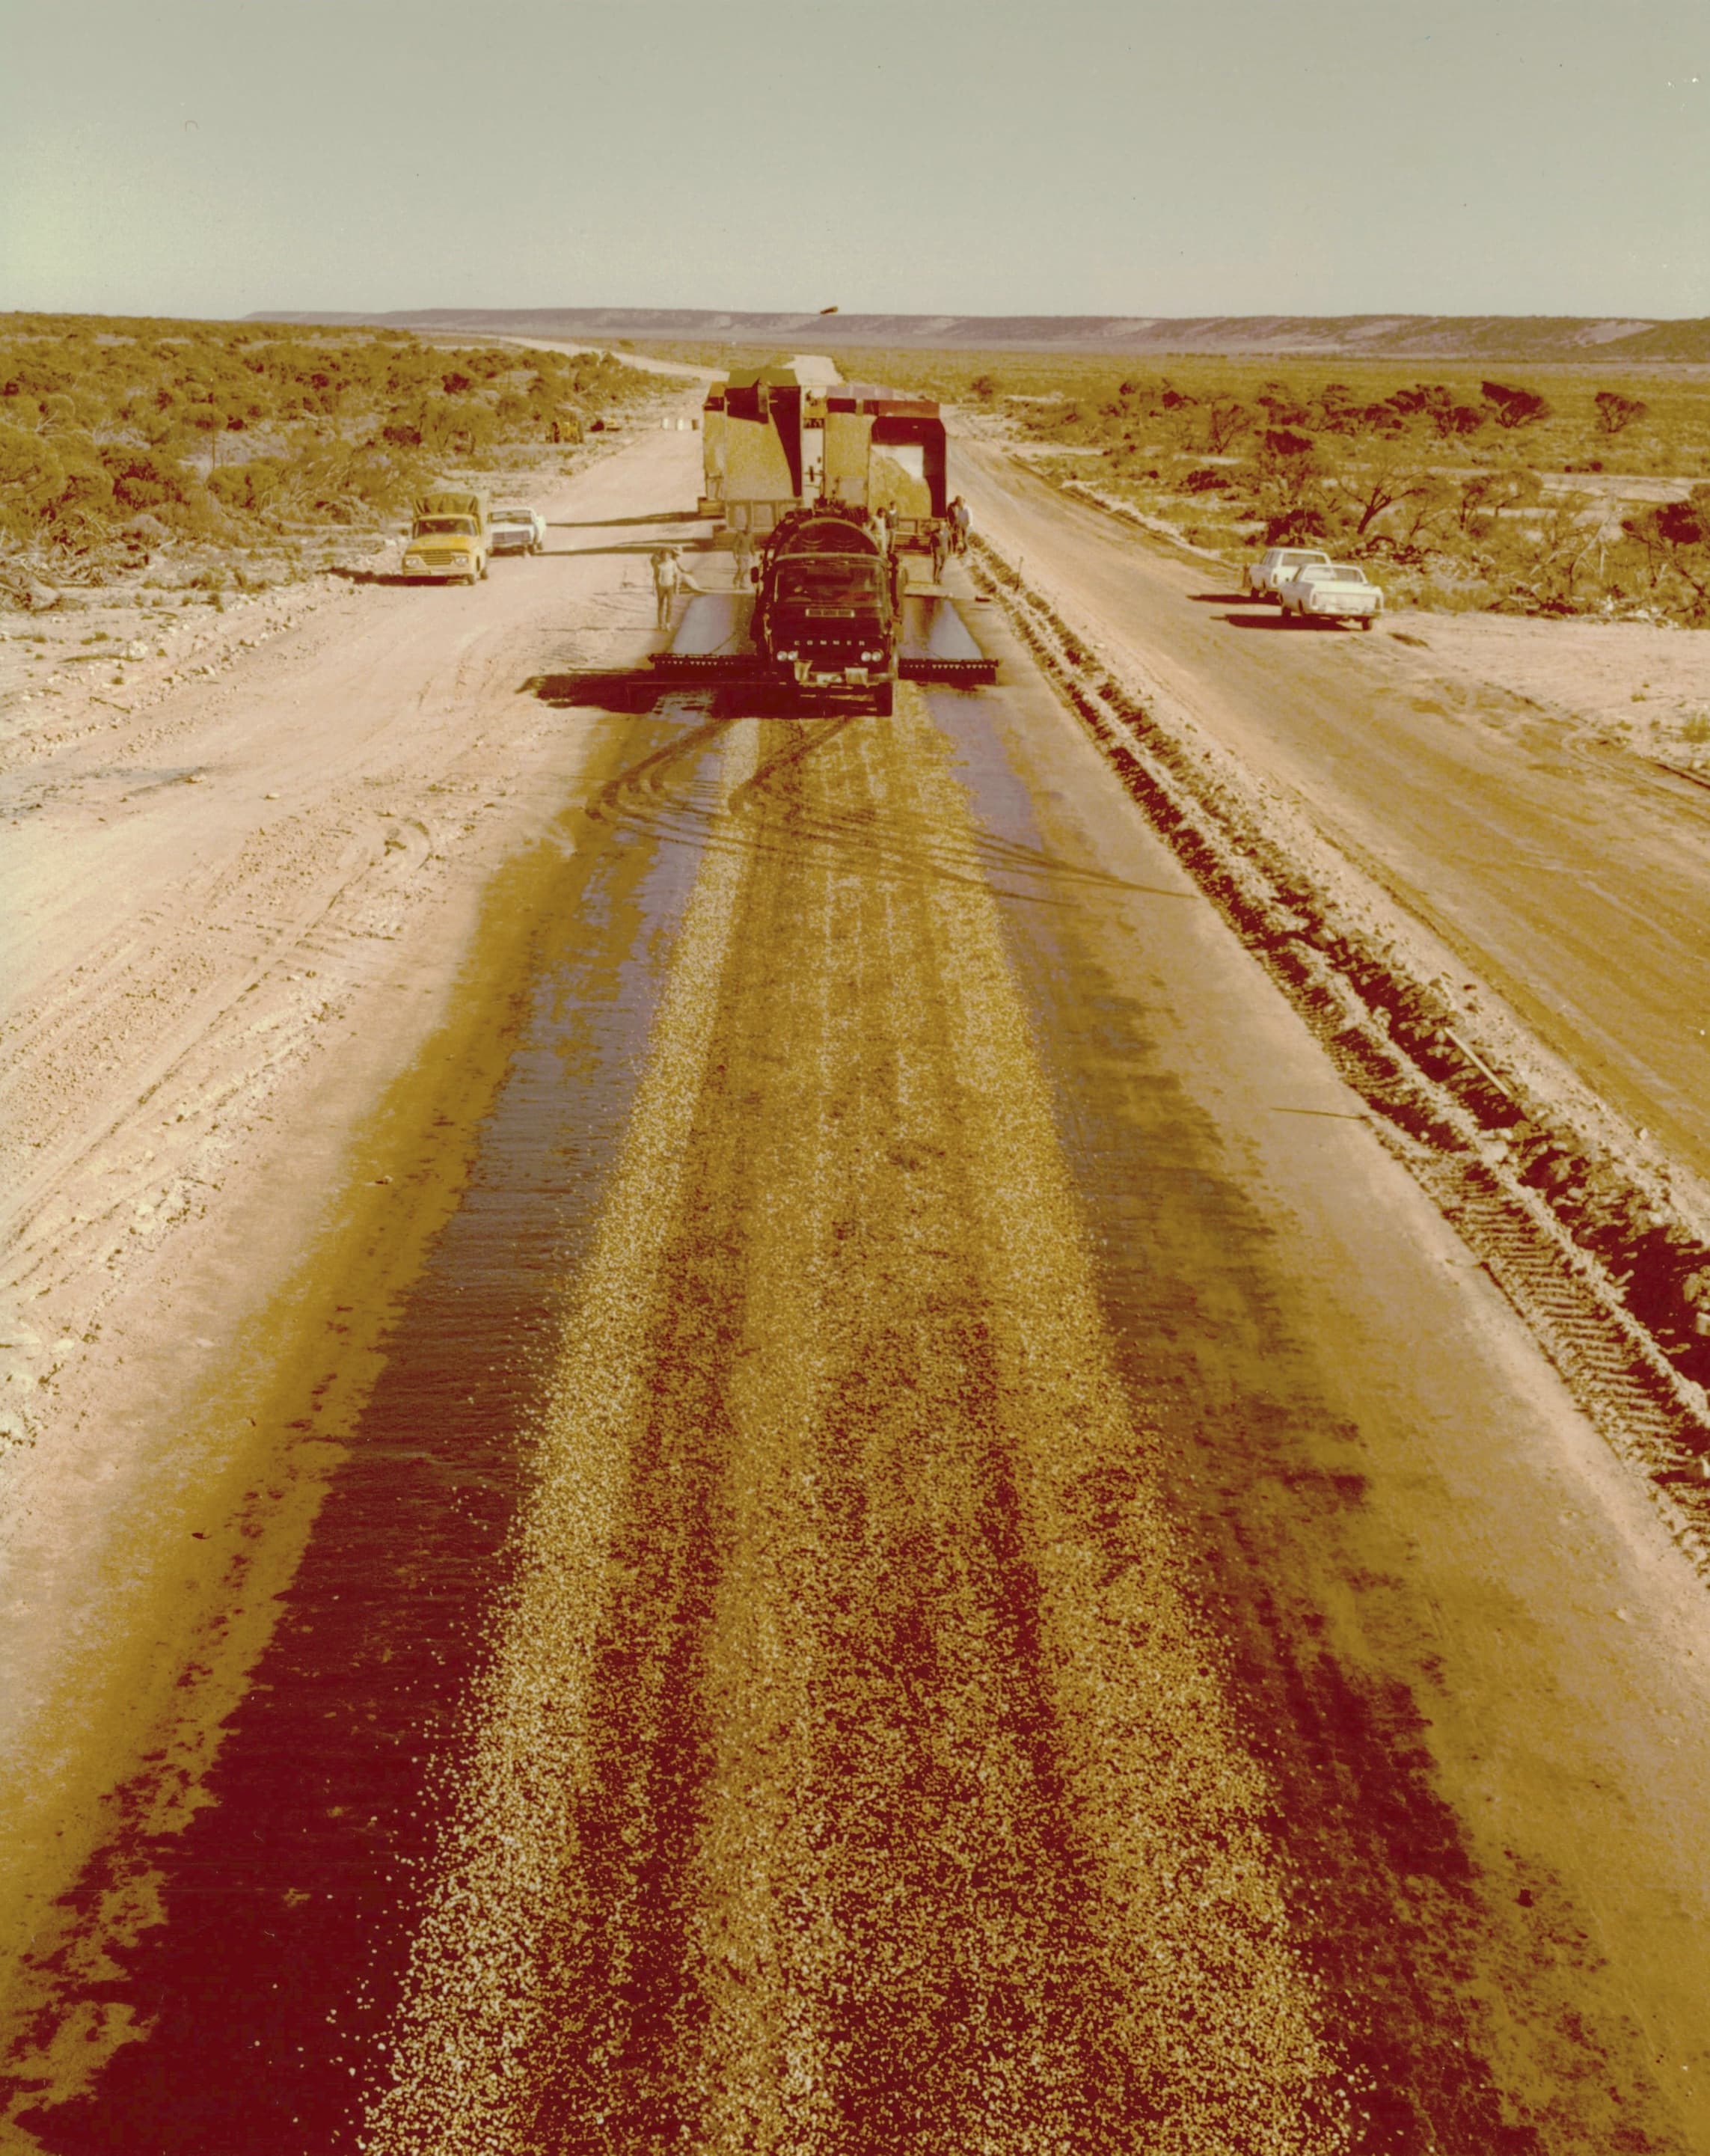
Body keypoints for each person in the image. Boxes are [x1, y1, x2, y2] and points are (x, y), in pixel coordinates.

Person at [651, 546, 682, 628]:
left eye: (668, 556)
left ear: (670, 556)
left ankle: (668, 623)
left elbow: (676, 576)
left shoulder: (673, 563)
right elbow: (655, 577)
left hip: (670, 586)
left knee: (670, 605)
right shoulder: (658, 564)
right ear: (661, 556)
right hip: (660, 587)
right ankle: (660, 624)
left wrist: (677, 588)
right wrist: (653, 589)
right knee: (661, 605)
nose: (666, 557)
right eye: (664, 555)